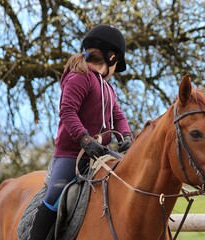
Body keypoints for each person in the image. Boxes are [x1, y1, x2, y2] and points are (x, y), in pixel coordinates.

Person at [29, 24, 133, 239]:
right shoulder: (79, 76)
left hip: (100, 156)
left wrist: (127, 136)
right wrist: (85, 139)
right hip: (71, 156)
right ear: (112, 57)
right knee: (55, 197)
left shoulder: (107, 88)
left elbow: (119, 116)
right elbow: (67, 111)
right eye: (117, 65)